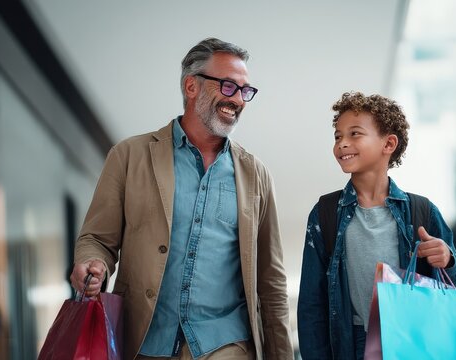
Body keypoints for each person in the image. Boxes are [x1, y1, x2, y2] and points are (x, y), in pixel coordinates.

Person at [69, 38, 293, 360]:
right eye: (229, 87)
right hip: (144, 342)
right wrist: (94, 263)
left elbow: (270, 280)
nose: (239, 100)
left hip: (226, 344)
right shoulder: (129, 156)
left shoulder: (255, 175)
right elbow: (96, 239)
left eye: (245, 91)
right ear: (191, 86)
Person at [297, 92, 456, 359]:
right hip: (352, 346)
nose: (342, 143)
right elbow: (311, 306)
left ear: (388, 143)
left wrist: (448, 259)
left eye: (355, 134)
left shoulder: (421, 211)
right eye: (338, 136)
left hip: (413, 343)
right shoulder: (325, 214)